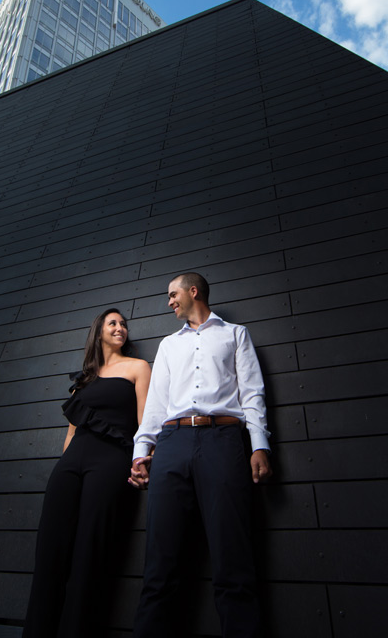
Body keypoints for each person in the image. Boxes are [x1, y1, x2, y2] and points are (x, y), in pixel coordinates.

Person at [130, 272, 272, 638]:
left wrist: (259, 445)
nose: (169, 302)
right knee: (159, 563)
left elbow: (252, 394)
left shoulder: (235, 334)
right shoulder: (167, 346)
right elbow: (156, 405)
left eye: (173, 294)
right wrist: (140, 451)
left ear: (193, 292)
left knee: (233, 559)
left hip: (223, 440)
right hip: (172, 443)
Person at [24, 308, 151, 638]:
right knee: (50, 550)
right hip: (72, 462)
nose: (120, 328)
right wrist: (64, 464)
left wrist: (143, 460)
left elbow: (144, 423)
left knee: (89, 552)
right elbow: (70, 432)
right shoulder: (85, 378)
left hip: (111, 461)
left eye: (123, 324)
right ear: (99, 333)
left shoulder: (138, 368)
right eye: (113, 323)